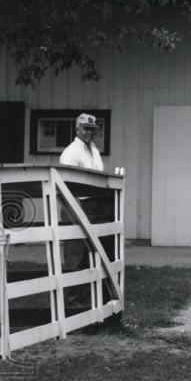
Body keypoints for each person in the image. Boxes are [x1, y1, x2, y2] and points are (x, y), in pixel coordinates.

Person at [58, 113, 115, 313]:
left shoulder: (94, 151)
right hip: (76, 206)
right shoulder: (71, 153)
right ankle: (71, 305)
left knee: (88, 256)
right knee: (74, 257)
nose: (89, 132)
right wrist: (75, 211)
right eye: (86, 128)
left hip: (94, 206)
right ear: (77, 129)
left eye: (92, 129)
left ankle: (85, 303)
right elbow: (65, 185)